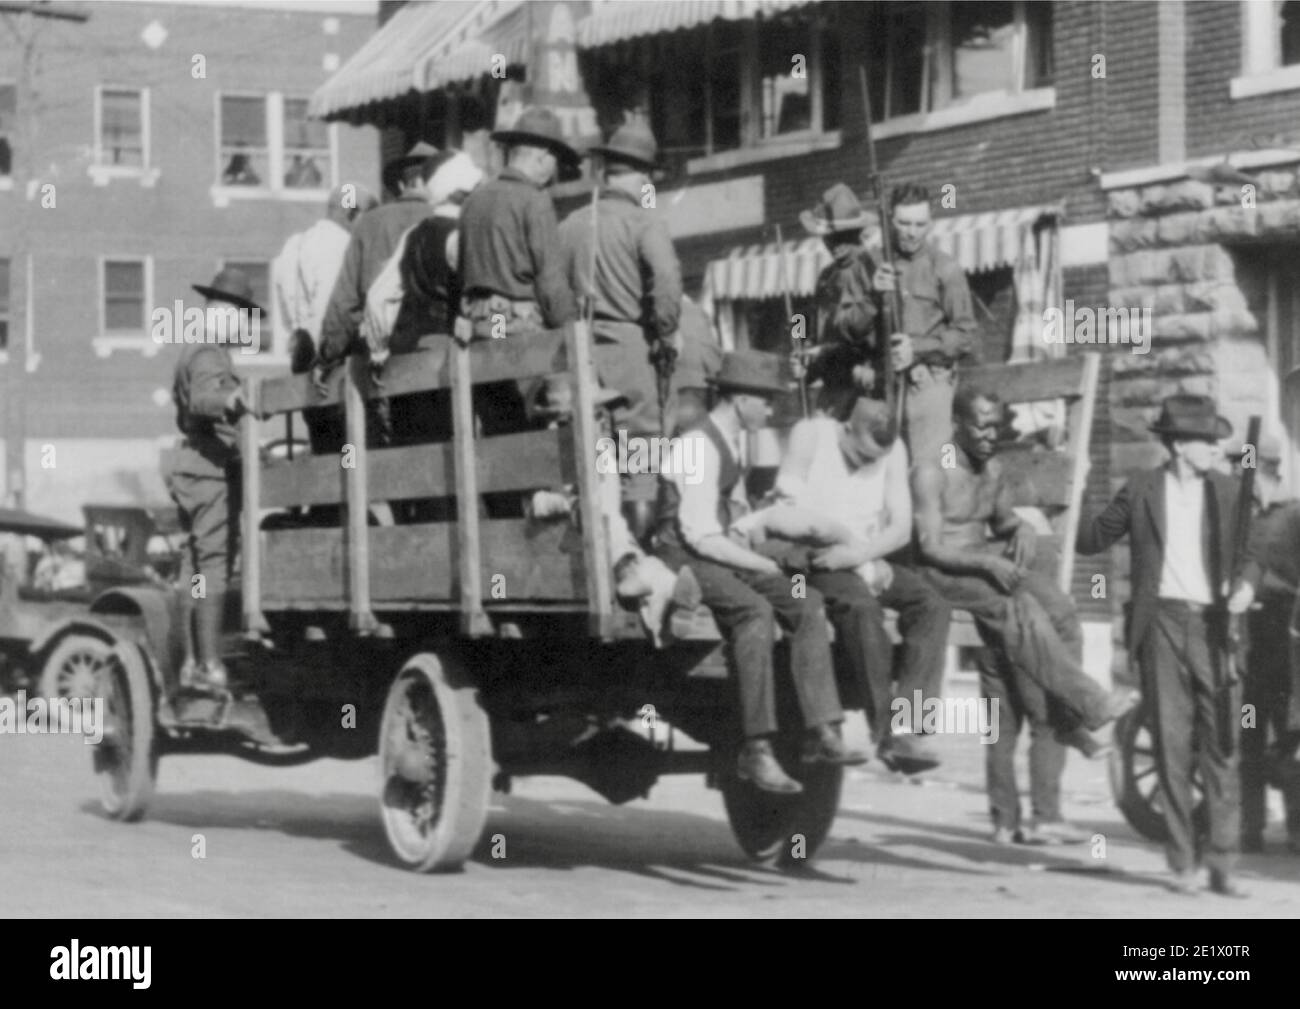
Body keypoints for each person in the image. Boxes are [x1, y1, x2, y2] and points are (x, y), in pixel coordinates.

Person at [653, 349, 867, 794]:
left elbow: (728, 523)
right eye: (764, 400)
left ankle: (821, 730)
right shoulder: (696, 444)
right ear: (738, 399)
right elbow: (698, 535)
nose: (769, 410)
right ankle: (756, 749)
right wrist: (761, 562)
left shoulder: (732, 440)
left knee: (805, 599)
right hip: (685, 554)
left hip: (720, 547)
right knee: (753, 613)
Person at [1076, 393, 1259, 896]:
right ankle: (1183, 862)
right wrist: (1067, 492)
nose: (1216, 449)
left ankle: (1223, 862)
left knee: (1223, 743)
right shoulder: (1140, 490)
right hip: (1160, 627)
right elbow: (1092, 538)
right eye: (1206, 441)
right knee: (1171, 746)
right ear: (1180, 446)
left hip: (1214, 629)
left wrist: (1246, 585)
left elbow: (1252, 553)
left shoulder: (1228, 491)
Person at [912, 384, 1138, 762]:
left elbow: (1002, 523)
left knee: (1063, 610)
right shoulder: (931, 470)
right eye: (980, 427)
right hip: (940, 572)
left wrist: (1022, 528)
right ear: (956, 424)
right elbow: (930, 548)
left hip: (983, 558)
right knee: (1022, 610)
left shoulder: (993, 468)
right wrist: (988, 562)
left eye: (995, 427)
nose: (989, 436)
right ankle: (1092, 703)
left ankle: (1069, 724)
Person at [747, 397, 951, 773]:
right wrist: (851, 554)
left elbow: (901, 528)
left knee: (933, 605)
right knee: (861, 609)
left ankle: (907, 727)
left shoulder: (892, 450)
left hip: (864, 557)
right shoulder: (810, 436)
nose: (867, 464)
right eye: (860, 456)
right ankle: (884, 729)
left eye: (874, 459)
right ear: (845, 430)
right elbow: (788, 514)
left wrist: (862, 556)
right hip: (817, 555)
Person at [459, 107, 579, 438]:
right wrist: (573, 330)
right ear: (542, 156)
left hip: (482, 328)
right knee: (535, 425)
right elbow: (551, 281)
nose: (555, 171)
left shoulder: (474, 201)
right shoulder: (533, 200)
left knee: (499, 427)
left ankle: (506, 492)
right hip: (519, 329)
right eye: (555, 161)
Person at [165, 268, 259, 691]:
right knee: (215, 564)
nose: (246, 325)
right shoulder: (208, 354)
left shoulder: (201, 348)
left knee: (196, 567)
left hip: (195, 468)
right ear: (224, 312)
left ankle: (191, 663)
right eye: (243, 315)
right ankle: (209, 665)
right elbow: (204, 398)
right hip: (210, 471)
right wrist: (233, 398)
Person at [559, 120, 682, 438]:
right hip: (630, 351)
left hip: (580, 350)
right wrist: (666, 337)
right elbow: (667, 279)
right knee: (640, 459)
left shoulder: (570, 224)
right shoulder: (645, 222)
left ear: (606, 174)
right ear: (645, 179)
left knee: (591, 458)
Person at [1228, 434, 1300, 853]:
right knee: (1250, 737)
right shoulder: (1238, 517)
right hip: (1250, 654)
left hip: (1285, 648)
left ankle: (1296, 829)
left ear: (1262, 470)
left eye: (1244, 467)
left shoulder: (1291, 517)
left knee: (1290, 740)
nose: (1238, 475)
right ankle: (1250, 828)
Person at [872, 183, 979, 465]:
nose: (911, 232)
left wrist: (916, 349)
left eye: (920, 224)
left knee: (927, 473)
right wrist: (873, 295)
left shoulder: (945, 267)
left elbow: (966, 335)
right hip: (882, 388)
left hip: (929, 386)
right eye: (903, 223)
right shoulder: (874, 263)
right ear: (889, 221)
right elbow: (852, 329)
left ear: (931, 223)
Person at [316, 142, 442, 374]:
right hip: (440, 355)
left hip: (382, 355)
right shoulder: (452, 220)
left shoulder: (368, 224)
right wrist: (498, 336)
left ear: (402, 184)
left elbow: (344, 304)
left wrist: (328, 353)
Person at [272, 184, 378, 451]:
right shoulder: (340, 246)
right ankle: (350, 491)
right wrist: (329, 356)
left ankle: (335, 490)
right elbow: (334, 308)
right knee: (349, 446)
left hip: (303, 360)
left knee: (323, 444)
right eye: (367, 216)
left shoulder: (294, 245)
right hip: (333, 363)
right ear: (351, 212)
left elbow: (286, 316)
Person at [799, 183, 880, 419]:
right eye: (829, 239)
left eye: (843, 237)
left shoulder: (873, 268)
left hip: (864, 384)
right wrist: (799, 345)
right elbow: (803, 316)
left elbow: (860, 326)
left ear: (857, 233)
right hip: (831, 385)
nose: (835, 245)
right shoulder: (825, 277)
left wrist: (825, 348)